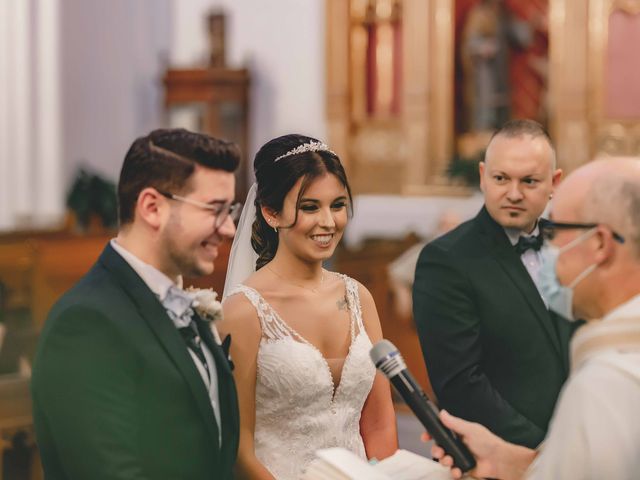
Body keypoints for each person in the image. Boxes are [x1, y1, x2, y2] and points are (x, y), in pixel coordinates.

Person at [31, 129, 241, 479]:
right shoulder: (85, 325)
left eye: (230, 210)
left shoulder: (182, 305)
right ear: (152, 208)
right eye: (215, 209)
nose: (230, 228)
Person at [429, 156, 640, 480]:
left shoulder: (608, 384)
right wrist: (518, 463)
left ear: (599, 244)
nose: (547, 247)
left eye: (553, 231)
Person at [219, 134, 398, 479]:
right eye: (310, 207)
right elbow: (238, 444)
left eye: (338, 205)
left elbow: (378, 423)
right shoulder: (243, 311)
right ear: (271, 213)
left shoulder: (359, 298)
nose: (329, 222)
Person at [413, 119, 574, 449]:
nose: (513, 193)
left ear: (554, 182)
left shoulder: (571, 248)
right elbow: (460, 384)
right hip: (498, 456)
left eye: (529, 181)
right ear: (484, 176)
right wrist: (543, 453)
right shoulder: (446, 260)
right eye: (501, 179)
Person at [461, 0, 532, 131]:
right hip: (484, 77)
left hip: (502, 74)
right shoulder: (478, 15)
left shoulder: (504, 16)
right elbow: (470, 45)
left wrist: (528, 23)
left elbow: (523, 39)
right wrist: (483, 47)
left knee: (502, 116)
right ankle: (482, 143)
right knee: (485, 114)